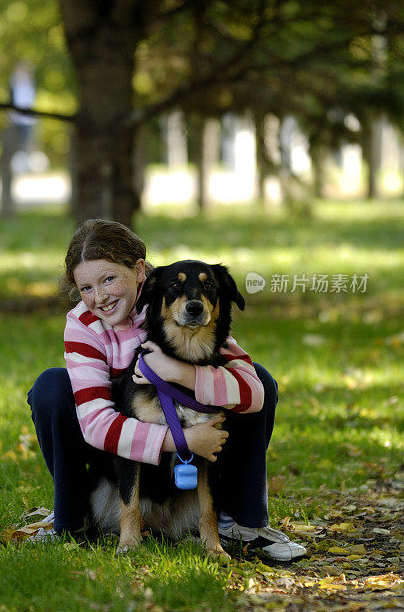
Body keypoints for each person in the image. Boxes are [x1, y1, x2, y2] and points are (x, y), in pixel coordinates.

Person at [27, 219, 306, 562]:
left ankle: (243, 521)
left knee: (257, 377)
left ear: (139, 270)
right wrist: (184, 441)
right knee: (51, 388)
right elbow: (97, 425)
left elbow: (255, 391)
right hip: (116, 457)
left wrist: (179, 372)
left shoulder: (175, 298)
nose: (98, 297)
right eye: (86, 288)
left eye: (109, 279)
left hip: (182, 475)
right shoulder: (84, 324)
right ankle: (71, 521)